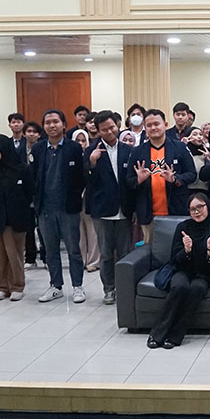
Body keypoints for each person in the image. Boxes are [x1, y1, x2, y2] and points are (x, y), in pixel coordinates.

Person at [146, 193, 210, 349]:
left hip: (203, 275)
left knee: (197, 289)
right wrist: (186, 251)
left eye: (200, 207)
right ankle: (156, 334)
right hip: (182, 270)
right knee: (179, 286)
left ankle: (175, 335)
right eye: (192, 209)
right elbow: (174, 259)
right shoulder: (183, 228)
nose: (197, 212)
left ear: (208, 207)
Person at [29, 109, 87, 303]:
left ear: (64, 124)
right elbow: (33, 177)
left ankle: (77, 286)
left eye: (55, 121)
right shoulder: (38, 149)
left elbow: (81, 177)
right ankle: (56, 286)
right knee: (50, 250)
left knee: (73, 250)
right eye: (48, 123)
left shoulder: (74, 148)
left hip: (68, 207)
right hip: (45, 208)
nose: (51, 125)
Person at [85, 110, 135, 305]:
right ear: (98, 130)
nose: (109, 131)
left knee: (125, 252)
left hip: (125, 209)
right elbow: (86, 180)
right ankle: (109, 289)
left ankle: (125, 288)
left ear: (118, 125)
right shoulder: (91, 151)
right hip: (103, 210)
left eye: (112, 127)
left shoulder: (129, 150)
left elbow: (131, 180)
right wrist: (92, 163)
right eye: (104, 129)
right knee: (106, 254)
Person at [127, 108, 197, 243]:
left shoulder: (179, 147)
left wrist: (175, 179)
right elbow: (129, 180)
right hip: (148, 213)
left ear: (165, 125)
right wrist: (138, 180)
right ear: (145, 128)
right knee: (150, 250)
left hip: (175, 210)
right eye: (149, 125)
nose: (153, 128)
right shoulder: (137, 151)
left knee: (177, 248)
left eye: (156, 124)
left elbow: (192, 174)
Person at [0, 134, 33, 301]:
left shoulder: (22, 169)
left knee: (14, 254)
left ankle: (17, 286)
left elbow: (29, 192)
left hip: (15, 219)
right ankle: (1, 287)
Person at [71, 129, 100, 274]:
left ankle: (93, 261)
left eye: (83, 140)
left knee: (92, 230)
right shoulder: (69, 155)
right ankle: (81, 260)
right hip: (74, 198)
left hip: (90, 197)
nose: (81, 143)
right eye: (78, 140)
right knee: (78, 231)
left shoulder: (91, 154)